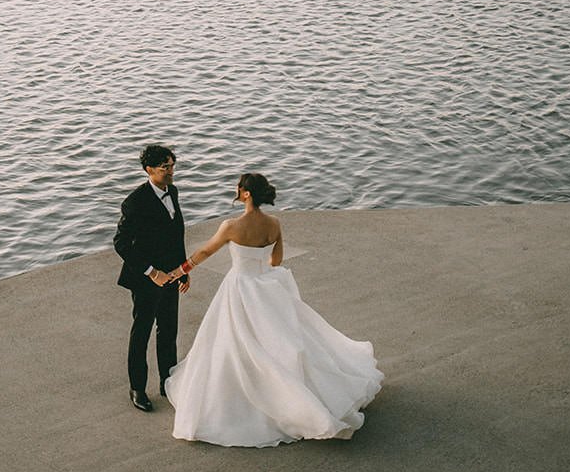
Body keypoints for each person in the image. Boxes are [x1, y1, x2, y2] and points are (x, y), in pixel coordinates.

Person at [161, 172, 383, 446]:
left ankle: (248, 393)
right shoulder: (274, 224)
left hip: (240, 286)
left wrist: (181, 270)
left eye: (239, 187)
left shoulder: (231, 226)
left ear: (246, 194)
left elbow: (206, 252)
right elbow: (276, 261)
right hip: (267, 286)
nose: (236, 189)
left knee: (234, 340)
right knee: (278, 338)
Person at [113, 143, 190, 412]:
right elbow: (121, 243)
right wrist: (151, 272)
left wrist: (183, 270)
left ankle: (168, 382)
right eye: (164, 167)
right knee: (142, 333)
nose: (171, 171)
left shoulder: (173, 191)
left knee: (168, 330)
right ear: (149, 170)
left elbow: (176, 234)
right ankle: (137, 388)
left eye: (172, 166)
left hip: (171, 275)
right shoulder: (135, 202)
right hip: (145, 279)